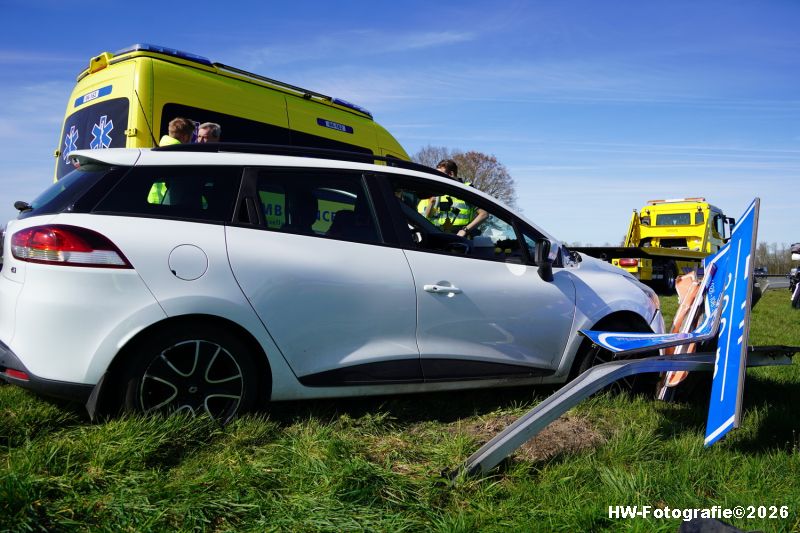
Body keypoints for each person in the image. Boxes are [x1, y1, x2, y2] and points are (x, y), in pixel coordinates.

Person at [420, 159, 489, 237]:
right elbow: (429, 216)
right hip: (442, 235)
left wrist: (465, 230)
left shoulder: (467, 189)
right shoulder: (440, 190)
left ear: (451, 174)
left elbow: (484, 214)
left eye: (440, 174)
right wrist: (432, 202)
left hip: (461, 238)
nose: (438, 177)